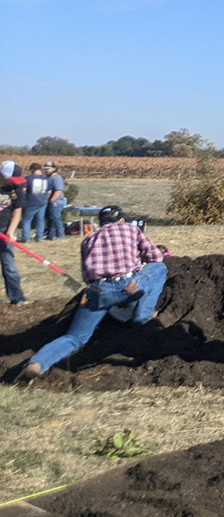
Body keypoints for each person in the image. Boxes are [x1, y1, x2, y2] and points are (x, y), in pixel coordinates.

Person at [20, 206, 167, 377]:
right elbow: (155, 256)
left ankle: (37, 363)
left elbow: (86, 276)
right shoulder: (130, 229)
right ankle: (143, 317)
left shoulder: (88, 239)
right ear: (121, 220)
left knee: (75, 337)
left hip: (97, 291)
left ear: (101, 222)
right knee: (159, 268)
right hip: (129, 285)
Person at [1, 161, 28, 305]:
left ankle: (17, 298)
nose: (15, 183)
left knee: (9, 266)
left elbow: (17, 211)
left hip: (5, 231)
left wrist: (11, 231)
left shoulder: (15, 189)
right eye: (12, 179)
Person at [20, 164, 51, 242]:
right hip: (42, 202)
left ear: (32, 170)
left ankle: (26, 238)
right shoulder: (46, 179)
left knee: (26, 220)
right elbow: (49, 191)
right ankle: (39, 237)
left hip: (30, 202)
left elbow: (23, 190)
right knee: (40, 220)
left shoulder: (27, 179)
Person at [44, 162, 66, 241]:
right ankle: (51, 235)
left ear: (54, 169)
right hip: (50, 201)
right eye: (45, 169)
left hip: (56, 202)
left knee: (56, 219)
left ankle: (60, 235)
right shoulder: (47, 178)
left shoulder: (57, 178)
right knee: (51, 219)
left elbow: (58, 190)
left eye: (48, 169)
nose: (47, 170)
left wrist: (52, 199)